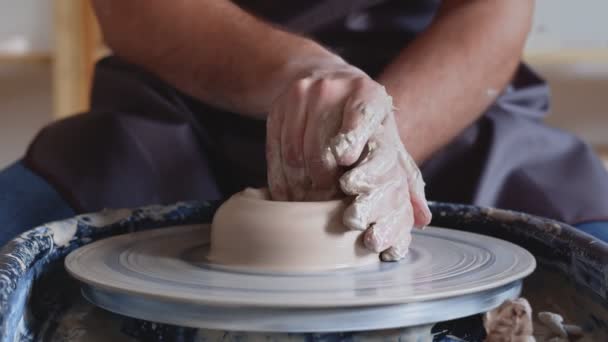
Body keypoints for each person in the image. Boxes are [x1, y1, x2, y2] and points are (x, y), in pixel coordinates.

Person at [1, 0, 608, 251]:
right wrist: (308, 73)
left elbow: (495, 11)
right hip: (183, 105)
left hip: (442, 106)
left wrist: (374, 144)